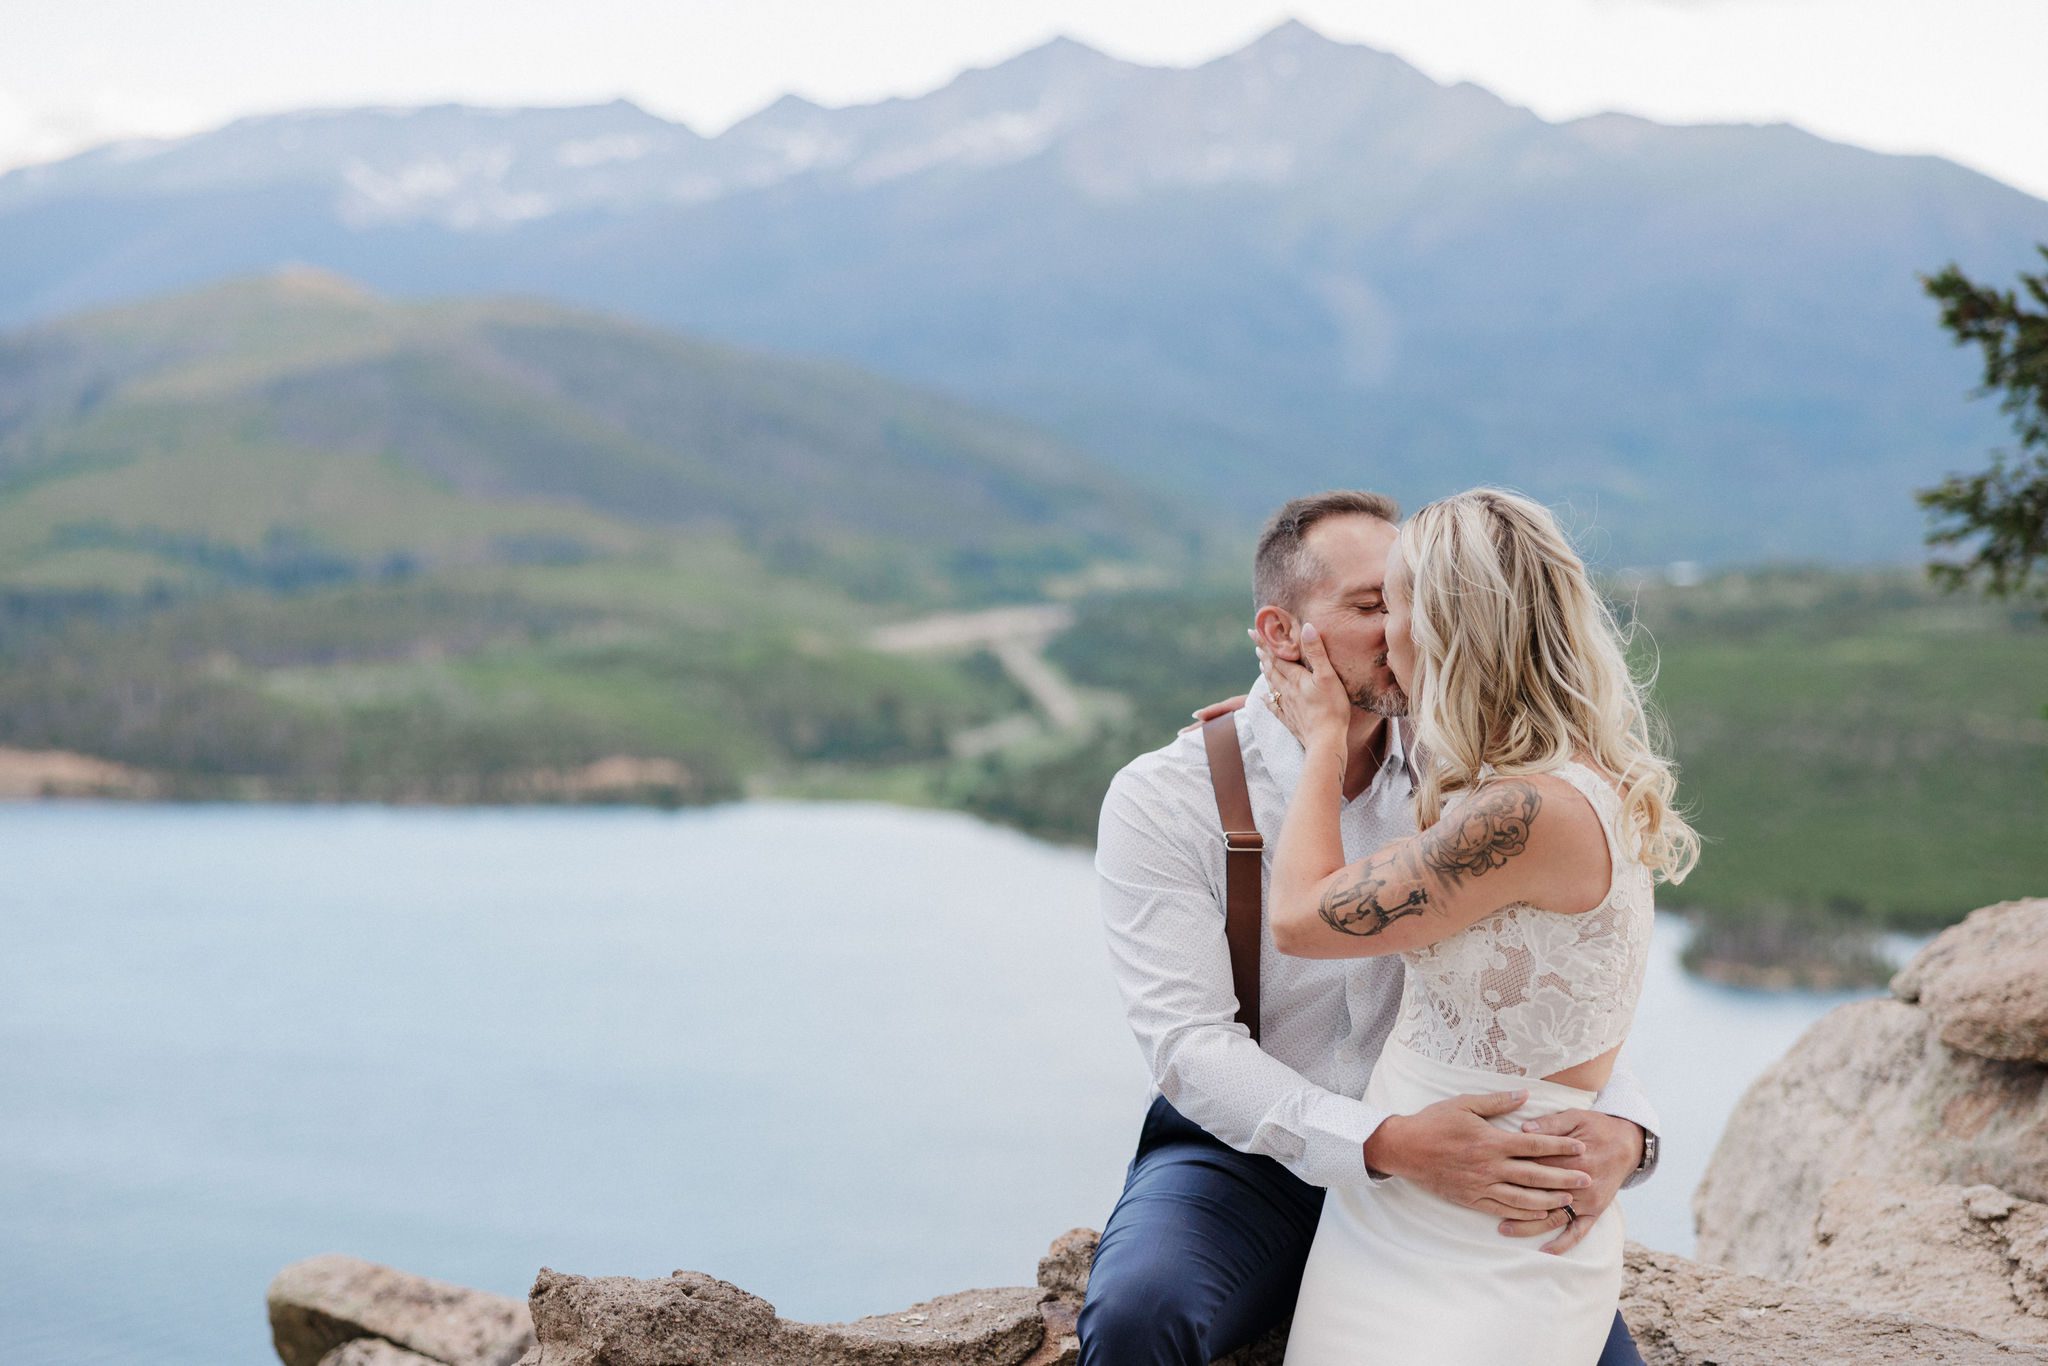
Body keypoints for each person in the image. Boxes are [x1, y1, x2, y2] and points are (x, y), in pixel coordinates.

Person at [1079, 490, 1666, 1366]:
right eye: (1369, 605)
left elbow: (1557, 969)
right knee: (1139, 1315)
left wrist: (1628, 1131)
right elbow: (1189, 1044)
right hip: (1253, 1161)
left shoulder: (1478, 774)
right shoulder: (1166, 796)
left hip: (1462, 1161)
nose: (1402, 627)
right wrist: (1383, 1145)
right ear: (1282, 634)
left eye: (1408, 599)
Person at [1259, 488, 1699, 1364]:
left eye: (1397, 605)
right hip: (1394, 1216)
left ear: (1449, 628)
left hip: (1486, 1230)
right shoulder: (1511, 779)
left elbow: (1301, 921)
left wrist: (1319, 739)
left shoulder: (1526, 812)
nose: (1384, 634)